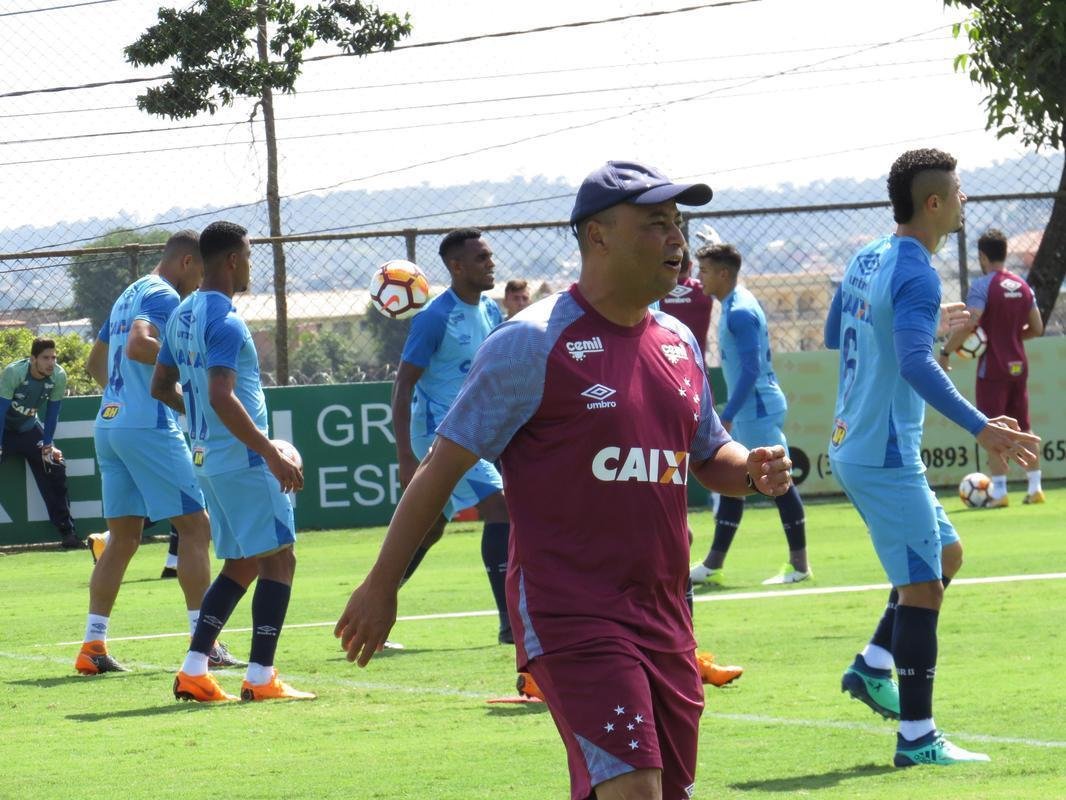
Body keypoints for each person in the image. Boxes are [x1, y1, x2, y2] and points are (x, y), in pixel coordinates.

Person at [336, 160, 794, 800]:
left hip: (665, 615)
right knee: (635, 786)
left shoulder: (680, 344)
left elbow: (710, 451)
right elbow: (442, 470)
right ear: (598, 237)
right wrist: (381, 584)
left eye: (677, 223)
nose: (676, 239)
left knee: (662, 792)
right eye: (656, 223)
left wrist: (752, 470)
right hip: (572, 612)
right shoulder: (529, 343)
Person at [826, 148, 1039, 767]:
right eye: (958, 189)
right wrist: (984, 428)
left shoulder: (869, 254)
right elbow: (916, 362)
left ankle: (873, 665)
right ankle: (917, 737)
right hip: (884, 452)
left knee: (945, 554)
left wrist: (918, 327)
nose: (966, 198)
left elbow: (841, 329)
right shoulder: (917, 273)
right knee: (922, 586)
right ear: (934, 203)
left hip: (856, 442)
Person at [154, 220, 313, 702]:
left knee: (241, 563)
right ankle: (261, 677)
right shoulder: (225, 319)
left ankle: (194, 669)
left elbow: (161, 386)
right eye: (247, 256)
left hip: (208, 458)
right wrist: (269, 452)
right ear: (232, 260)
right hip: (243, 460)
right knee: (280, 559)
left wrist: (200, 420)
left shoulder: (181, 314)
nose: (249, 265)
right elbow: (223, 394)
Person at [76, 231, 232, 675]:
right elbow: (139, 344)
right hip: (148, 427)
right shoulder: (164, 296)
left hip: (110, 423)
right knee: (196, 528)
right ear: (186, 262)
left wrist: (122, 399)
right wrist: (187, 373)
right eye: (201, 271)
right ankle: (206, 645)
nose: (200, 283)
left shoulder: (131, 292)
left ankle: (93, 645)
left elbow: (95, 362)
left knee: (122, 540)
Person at [390, 228, 513, 644]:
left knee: (430, 529)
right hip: (443, 435)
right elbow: (403, 385)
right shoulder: (434, 317)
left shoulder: (491, 311)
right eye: (481, 258)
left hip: (479, 433)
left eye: (490, 256)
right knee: (500, 508)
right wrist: (406, 456)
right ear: (457, 267)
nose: (491, 263)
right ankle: (510, 624)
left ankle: (375, 597)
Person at [689, 243, 811, 586]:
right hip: (752, 407)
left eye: (707, 271)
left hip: (755, 407)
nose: (700, 278)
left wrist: (729, 412)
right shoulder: (735, 302)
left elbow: (751, 367)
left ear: (724, 274)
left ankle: (799, 566)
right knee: (734, 481)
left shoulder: (739, 310)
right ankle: (713, 563)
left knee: (777, 481)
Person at [937, 228, 1045, 506]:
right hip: (1019, 365)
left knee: (991, 426)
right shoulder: (1022, 286)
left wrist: (946, 351)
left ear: (983, 256)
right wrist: (1010, 336)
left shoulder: (983, 286)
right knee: (1024, 426)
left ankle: (999, 492)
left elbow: (971, 322)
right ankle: (1035, 488)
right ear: (1005, 253)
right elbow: (1037, 327)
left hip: (992, 369)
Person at [0, 338, 82, 549]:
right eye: (45, 358)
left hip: (29, 429)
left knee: (55, 464)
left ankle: (68, 533)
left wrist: (47, 445)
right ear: (33, 359)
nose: (50, 362)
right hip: (4, 430)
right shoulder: (14, 373)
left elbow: (53, 412)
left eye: (53, 357)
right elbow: (0, 413)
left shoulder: (58, 376)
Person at [658, 248, 713, 358]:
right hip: (696, 365)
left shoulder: (656, 292)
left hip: (664, 363)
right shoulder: (704, 290)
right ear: (690, 265)